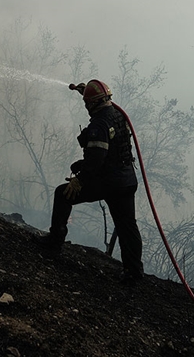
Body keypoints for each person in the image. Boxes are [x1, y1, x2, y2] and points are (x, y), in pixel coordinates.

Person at [35, 79, 144, 284]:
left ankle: (54, 242)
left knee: (62, 194)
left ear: (94, 103)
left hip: (109, 182)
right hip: (127, 180)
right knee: (127, 226)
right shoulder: (117, 114)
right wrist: (84, 91)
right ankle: (134, 272)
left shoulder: (99, 124)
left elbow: (96, 160)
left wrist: (79, 180)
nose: (86, 108)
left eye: (87, 104)